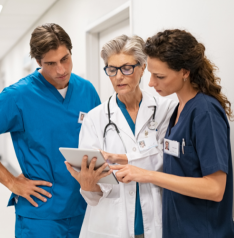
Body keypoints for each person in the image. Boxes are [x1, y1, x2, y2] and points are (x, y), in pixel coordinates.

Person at [0, 23, 101, 238]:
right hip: (42, 213)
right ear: (38, 62)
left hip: (86, 207)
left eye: (65, 59)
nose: (61, 70)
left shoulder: (87, 90)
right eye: (51, 63)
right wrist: (11, 182)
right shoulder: (17, 97)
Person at [111, 29, 234, 238]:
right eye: (151, 74)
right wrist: (125, 159)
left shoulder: (205, 112)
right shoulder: (178, 109)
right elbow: (179, 163)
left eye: (159, 76)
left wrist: (147, 176)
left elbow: (215, 188)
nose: (151, 83)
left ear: (185, 72)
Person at [65, 35, 176, 238]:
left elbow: (168, 161)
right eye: (112, 69)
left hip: (155, 218)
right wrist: (88, 185)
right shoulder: (95, 118)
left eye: (126, 68)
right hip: (111, 223)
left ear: (143, 68)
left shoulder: (165, 109)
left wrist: (127, 160)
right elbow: (93, 193)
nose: (118, 76)